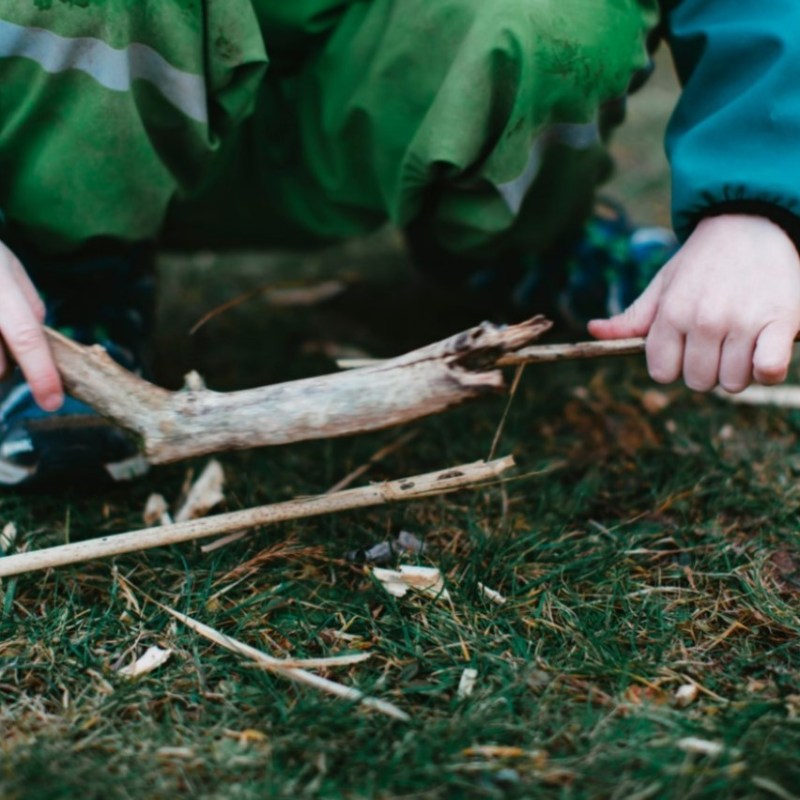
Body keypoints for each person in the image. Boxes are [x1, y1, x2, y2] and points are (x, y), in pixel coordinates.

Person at [0, 0, 798, 487]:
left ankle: (515, 239)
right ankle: (68, 274)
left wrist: (757, 196)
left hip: (391, 86)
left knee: (565, 17)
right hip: (87, 116)